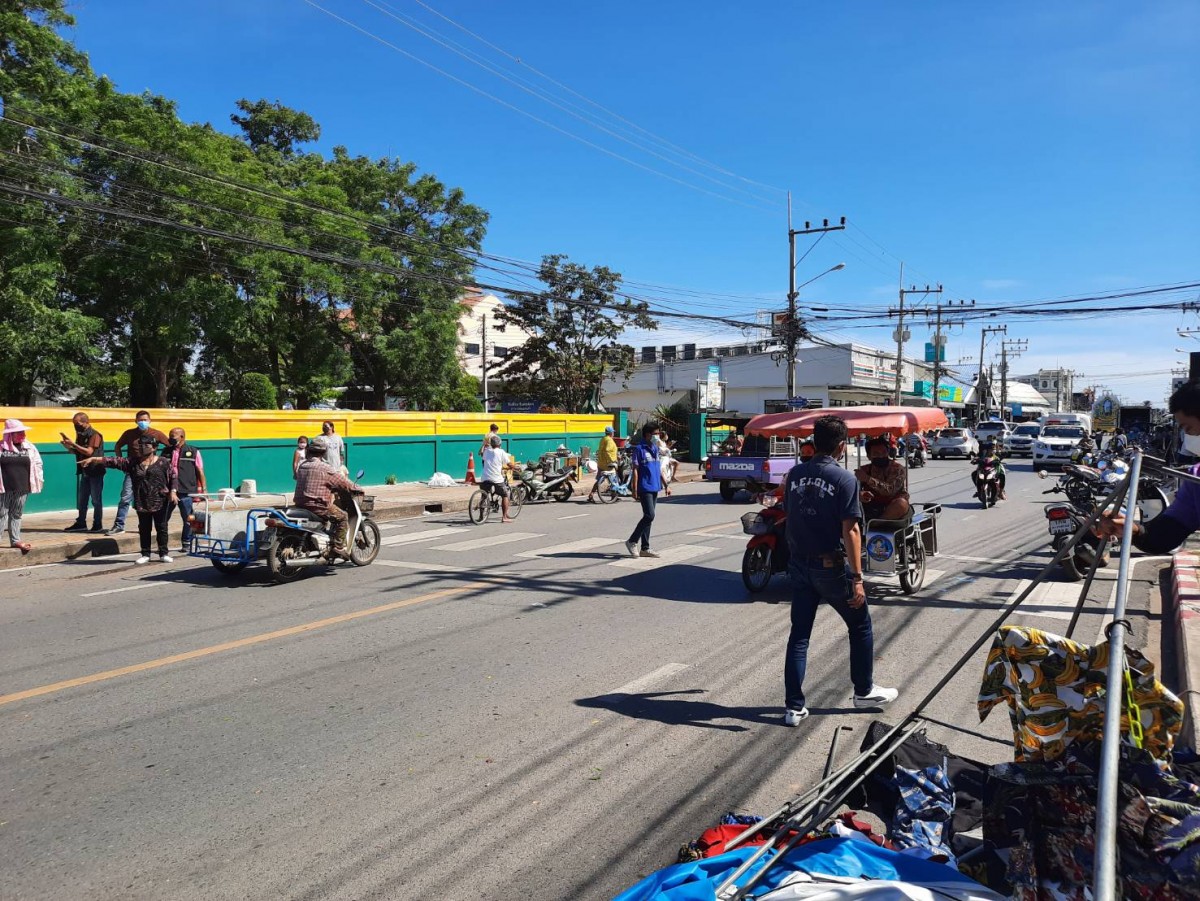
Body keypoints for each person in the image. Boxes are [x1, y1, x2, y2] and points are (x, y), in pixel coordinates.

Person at [781, 414, 897, 725]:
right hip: (830, 567)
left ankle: (793, 707)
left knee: (799, 636)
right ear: (842, 447)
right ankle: (864, 690)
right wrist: (858, 578)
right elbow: (852, 531)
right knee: (860, 626)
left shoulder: (794, 475)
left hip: (799, 565)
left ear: (814, 443)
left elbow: (790, 515)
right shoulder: (845, 479)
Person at [1097, 380, 1200, 551]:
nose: (1188, 437)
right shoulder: (1194, 479)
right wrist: (1133, 529)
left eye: (1190, 428)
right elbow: (1164, 536)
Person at [83, 435, 176, 564]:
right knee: (144, 528)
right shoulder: (133, 462)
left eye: (146, 445)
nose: (142, 448)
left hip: (160, 500)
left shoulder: (163, 462)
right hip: (141, 501)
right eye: (140, 445)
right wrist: (94, 459)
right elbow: (114, 461)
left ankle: (163, 553)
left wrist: (173, 492)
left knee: (161, 527)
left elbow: (173, 477)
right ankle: (145, 553)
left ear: (154, 448)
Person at [293, 436, 359, 555]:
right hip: (318, 507)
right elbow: (343, 482)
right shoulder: (325, 468)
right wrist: (358, 489)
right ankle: (338, 547)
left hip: (300, 504)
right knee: (343, 517)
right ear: (323, 453)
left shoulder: (302, 466)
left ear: (308, 450)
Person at [107, 411, 168, 535]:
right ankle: (119, 525)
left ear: (150, 420)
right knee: (125, 497)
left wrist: (161, 461)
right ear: (136, 421)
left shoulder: (156, 433)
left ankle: (156, 526)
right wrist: (121, 461)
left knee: (153, 497)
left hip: (151, 471)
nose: (143, 422)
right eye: (140, 420)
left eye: (145, 420)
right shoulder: (129, 434)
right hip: (134, 470)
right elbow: (118, 446)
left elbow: (169, 446)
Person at [0, 419, 45, 555]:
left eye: (23, 432)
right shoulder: (1, 447)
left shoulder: (29, 447)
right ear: (10, 434)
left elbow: (38, 463)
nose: (23, 435)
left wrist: (38, 480)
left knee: (17, 514)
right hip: (4, 487)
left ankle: (15, 540)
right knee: (1, 514)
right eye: (19, 432)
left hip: (22, 487)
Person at [60, 411, 105, 532]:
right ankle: (81, 522)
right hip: (84, 471)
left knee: (96, 499)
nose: (76, 426)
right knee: (82, 499)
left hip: (95, 470)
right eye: (74, 424)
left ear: (86, 422)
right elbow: (78, 451)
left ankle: (97, 524)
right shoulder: (80, 434)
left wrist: (73, 444)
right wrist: (68, 446)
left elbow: (89, 452)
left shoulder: (95, 435)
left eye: (77, 423)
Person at [163, 427, 205, 553]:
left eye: (173, 436)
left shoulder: (193, 451)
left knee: (189, 518)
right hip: (169, 491)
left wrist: (203, 490)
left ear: (182, 437)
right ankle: (162, 544)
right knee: (163, 518)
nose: (170, 438)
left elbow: (200, 471)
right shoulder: (166, 451)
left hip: (186, 490)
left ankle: (187, 542)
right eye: (169, 436)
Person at [625, 421, 663, 559]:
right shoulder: (639, 449)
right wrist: (634, 489)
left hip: (655, 486)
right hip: (644, 486)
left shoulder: (655, 448)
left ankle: (645, 548)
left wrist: (666, 484)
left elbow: (658, 468)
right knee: (649, 515)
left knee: (649, 518)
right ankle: (632, 541)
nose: (658, 436)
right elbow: (635, 470)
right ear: (648, 434)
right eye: (656, 433)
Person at [855, 437, 911, 522]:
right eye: (876, 453)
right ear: (869, 456)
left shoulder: (898, 469)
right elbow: (853, 490)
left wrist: (867, 479)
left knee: (901, 504)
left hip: (893, 507)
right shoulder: (864, 470)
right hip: (871, 507)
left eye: (884, 452)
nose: (881, 456)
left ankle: (877, 523)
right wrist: (860, 495)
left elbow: (890, 490)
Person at [480, 434, 516, 523]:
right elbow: (509, 463)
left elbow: (486, 459)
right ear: (499, 444)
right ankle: (504, 517)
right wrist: (515, 467)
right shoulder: (501, 452)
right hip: (496, 479)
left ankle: (481, 516)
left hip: (485, 478)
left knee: (484, 496)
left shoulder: (486, 451)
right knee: (505, 495)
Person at [588, 426, 619, 503]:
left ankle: (591, 494)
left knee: (599, 480)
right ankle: (614, 496)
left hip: (601, 463)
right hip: (608, 464)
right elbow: (607, 451)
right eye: (613, 432)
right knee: (613, 480)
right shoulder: (609, 440)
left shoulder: (603, 439)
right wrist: (612, 460)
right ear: (611, 433)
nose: (613, 434)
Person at [657, 431, 680, 496]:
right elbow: (662, 450)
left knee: (676, 463)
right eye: (666, 435)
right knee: (661, 469)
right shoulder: (659, 441)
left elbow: (666, 449)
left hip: (667, 457)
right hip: (662, 457)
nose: (667, 436)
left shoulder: (663, 442)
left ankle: (673, 476)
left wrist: (670, 445)